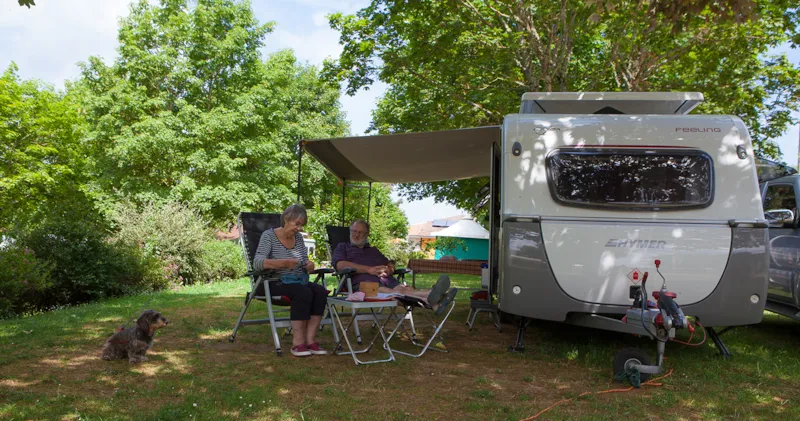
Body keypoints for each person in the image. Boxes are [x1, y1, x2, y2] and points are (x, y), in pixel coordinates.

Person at [332, 219, 458, 313]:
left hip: (386, 280)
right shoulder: (343, 247)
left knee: (405, 289)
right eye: (354, 231)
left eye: (360, 232)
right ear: (350, 231)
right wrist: (369, 270)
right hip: (363, 286)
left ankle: (434, 302)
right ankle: (433, 297)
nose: (356, 235)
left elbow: (389, 262)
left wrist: (390, 269)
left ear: (366, 235)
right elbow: (341, 265)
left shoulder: (373, 250)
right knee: (392, 293)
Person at [253, 204, 328, 357]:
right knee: (303, 292)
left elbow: (304, 260)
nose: (299, 228)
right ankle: (298, 343)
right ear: (287, 218)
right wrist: (283, 263)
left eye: (301, 225)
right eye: (297, 224)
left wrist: (309, 265)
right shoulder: (269, 236)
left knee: (320, 291)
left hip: (297, 280)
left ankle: (310, 340)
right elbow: (258, 263)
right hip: (273, 281)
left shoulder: (299, 238)